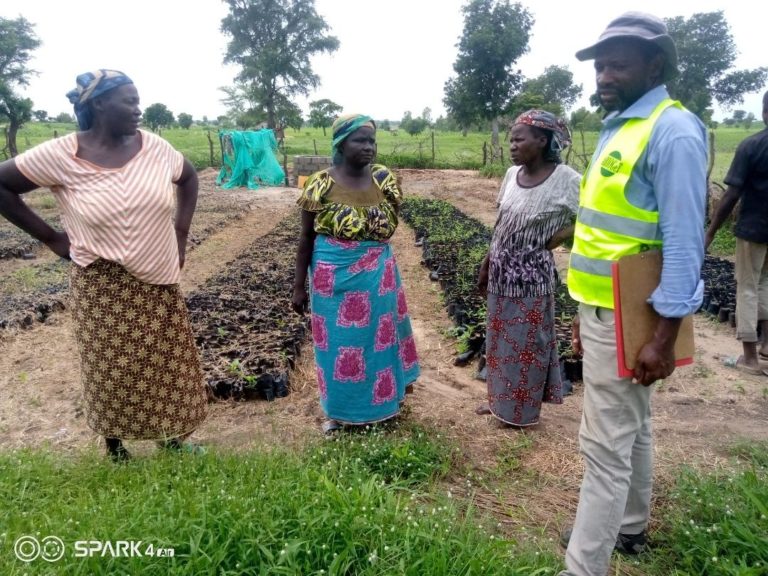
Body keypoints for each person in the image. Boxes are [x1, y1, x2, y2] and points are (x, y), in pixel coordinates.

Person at [560, 13, 707, 576]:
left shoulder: (672, 129)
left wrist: (664, 337)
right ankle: (630, 527)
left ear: (655, 65)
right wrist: (584, 311)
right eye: (600, 65)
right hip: (604, 311)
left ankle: (583, 566)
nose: (603, 75)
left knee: (603, 446)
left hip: (638, 316)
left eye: (617, 63)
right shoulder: (619, 127)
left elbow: (685, 240)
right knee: (634, 425)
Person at [0, 70, 208, 461]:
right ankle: (116, 445)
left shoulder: (156, 148)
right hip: (101, 279)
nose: (138, 108)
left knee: (164, 360)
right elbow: (2, 184)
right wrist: (51, 238)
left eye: (137, 99)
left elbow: (189, 177)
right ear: (98, 104)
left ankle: (172, 438)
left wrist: (180, 234)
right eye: (129, 100)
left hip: (158, 275)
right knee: (110, 364)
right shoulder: (62, 154)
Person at [292, 113, 420, 433]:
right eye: (360, 140)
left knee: (379, 342)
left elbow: (389, 228)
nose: (368, 147)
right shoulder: (321, 183)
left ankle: (383, 404)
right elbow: (306, 238)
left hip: (377, 275)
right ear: (341, 143)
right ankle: (341, 411)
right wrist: (298, 287)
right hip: (332, 277)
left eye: (372, 140)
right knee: (339, 346)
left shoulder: (383, 180)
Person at [476, 110, 580, 426]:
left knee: (526, 347)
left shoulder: (568, 180)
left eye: (519, 139)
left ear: (543, 140)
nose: (513, 145)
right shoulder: (511, 175)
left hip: (532, 279)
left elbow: (588, 220)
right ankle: (499, 403)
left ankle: (520, 413)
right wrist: (486, 264)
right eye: (511, 139)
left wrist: (555, 238)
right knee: (498, 342)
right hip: (500, 274)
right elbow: (501, 225)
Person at [705, 91, 768, 376]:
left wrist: (711, 232)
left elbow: (731, 196)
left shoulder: (753, 145)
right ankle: (766, 347)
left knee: (747, 287)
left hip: (754, 229)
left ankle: (750, 358)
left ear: (765, 112)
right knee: (766, 284)